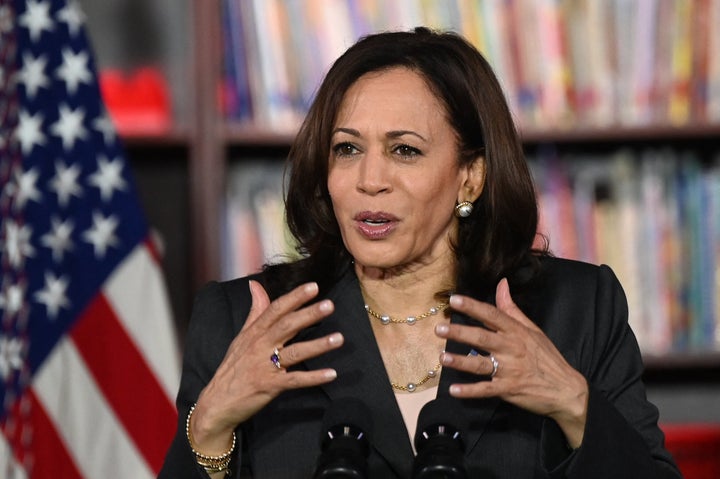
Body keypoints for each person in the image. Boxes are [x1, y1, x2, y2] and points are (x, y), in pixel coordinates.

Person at [159, 27, 681, 478]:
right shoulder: (244, 322)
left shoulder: (574, 311)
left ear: (470, 177)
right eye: (347, 149)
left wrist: (573, 403)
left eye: (404, 150)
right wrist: (208, 427)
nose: (369, 180)